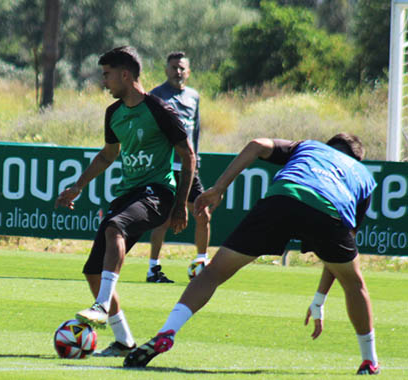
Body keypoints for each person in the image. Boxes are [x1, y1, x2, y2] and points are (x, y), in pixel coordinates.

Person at [124, 133, 380, 375]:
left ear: (329, 145)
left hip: (283, 198)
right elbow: (339, 261)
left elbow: (257, 144)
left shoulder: (310, 146)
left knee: (213, 272)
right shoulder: (363, 176)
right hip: (329, 212)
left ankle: (167, 332)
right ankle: (369, 360)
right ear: (356, 158)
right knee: (355, 284)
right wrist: (319, 300)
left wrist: (219, 188)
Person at [55, 46, 195, 357]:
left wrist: (180, 204)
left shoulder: (159, 110)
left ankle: (102, 305)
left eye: (106, 75)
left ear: (125, 74)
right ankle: (123, 341)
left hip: (158, 192)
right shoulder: (113, 114)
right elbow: (108, 155)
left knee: (115, 227)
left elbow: (188, 156)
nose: (104, 81)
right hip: (129, 193)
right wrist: (78, 186)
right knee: (93, 271)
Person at [146, 51, 209, 284]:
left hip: (188, 167)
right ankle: (153, 269)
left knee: (203, 212)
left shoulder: (194, 96)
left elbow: (196, 132)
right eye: (174, 67)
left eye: (182, 68)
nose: (178, 72)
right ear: (166, 70)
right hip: (164, 166)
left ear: (188, 71)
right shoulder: (155, 95)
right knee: (163, 218)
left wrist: (196, 160)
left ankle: (202, 264)